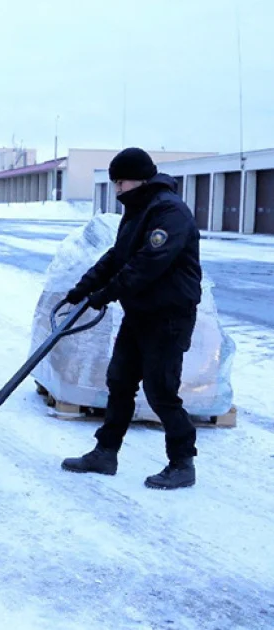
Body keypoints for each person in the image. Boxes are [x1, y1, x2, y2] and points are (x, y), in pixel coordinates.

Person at [60, 147, 202, 490]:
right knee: (119, 382)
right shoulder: (139, 211)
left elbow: (147, 264)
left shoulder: (169, 212)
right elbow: (117, 256)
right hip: (140, 314)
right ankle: (105, 452)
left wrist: (105, 294)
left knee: (161, 390)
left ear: (139, 178)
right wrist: (83, 288)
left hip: (168, 317)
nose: (118, 189)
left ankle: (182, 463)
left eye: (120, 182)